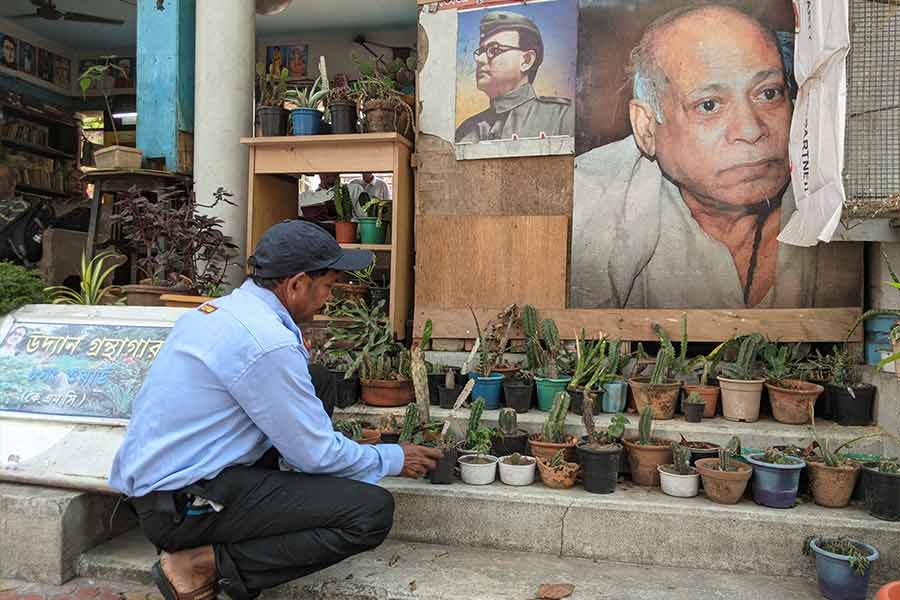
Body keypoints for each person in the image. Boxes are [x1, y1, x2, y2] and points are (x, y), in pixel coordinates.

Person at [108, 220, 442, 600]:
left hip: (168, 487)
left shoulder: (222, 310)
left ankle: (264, 504)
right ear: (297, 283)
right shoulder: (265, 343)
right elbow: (316, 454)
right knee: (370, 513)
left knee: (317, 379)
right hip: (184, 506)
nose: (329, 298)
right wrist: (393, 457)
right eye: (328, 286)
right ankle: (202, 563)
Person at [571, 3, 823, 309]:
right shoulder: (588, 204)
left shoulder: (831, 185)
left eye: (768, 93)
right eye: (709, 105)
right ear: (647, 127)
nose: (751, 129)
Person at [455, 11, 574, 143]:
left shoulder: (563, 117)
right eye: (480, 51)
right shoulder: (466, 130)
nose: (480, 59)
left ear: (526, 61)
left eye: (494, 50)